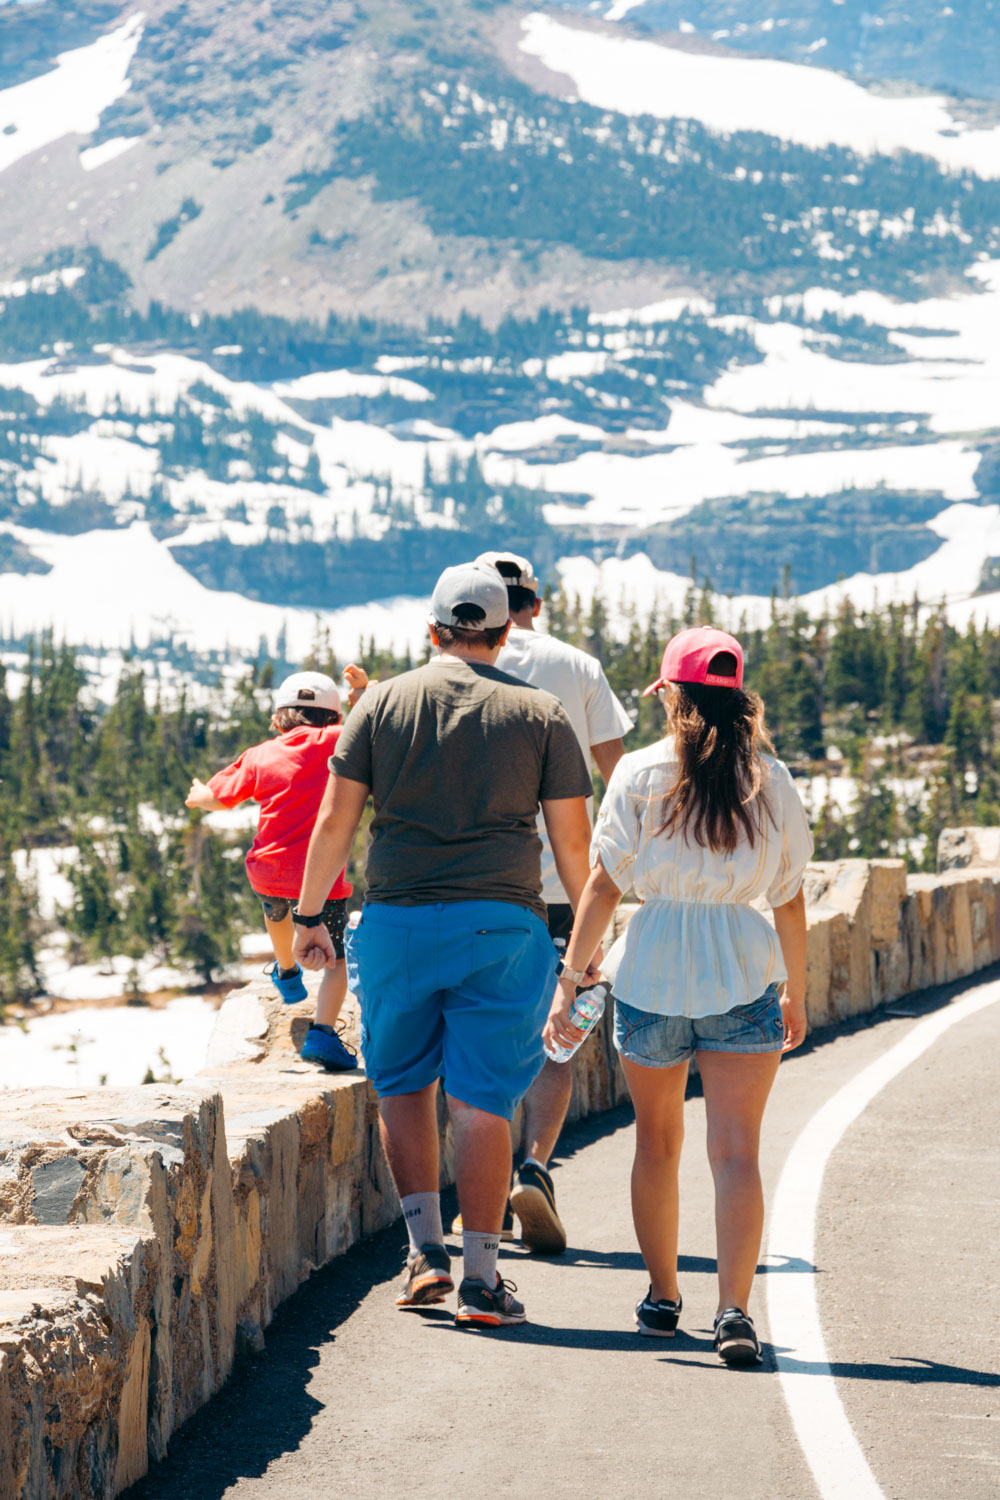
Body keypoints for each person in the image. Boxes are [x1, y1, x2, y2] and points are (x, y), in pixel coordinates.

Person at [291, 561, 596, 1327]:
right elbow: (574, 848)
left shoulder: (380, 704)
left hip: (395, 922)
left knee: (401, 1086)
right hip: (504, 925)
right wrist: (586, 951)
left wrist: (307, 918)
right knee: (484, 1099)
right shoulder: (544, 714)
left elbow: (335, 822)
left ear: (432, 631)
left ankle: (426, 1254)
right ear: (505, 631)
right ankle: (484, 1280)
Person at [545, 626, 812, 1365]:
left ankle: (663, 1299)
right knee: (737, 1153)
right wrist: (796, 990)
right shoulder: (772, 779)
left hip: (651, 972)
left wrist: (572, 979)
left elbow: (603, 885)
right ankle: (734, 1313)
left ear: (669, 696)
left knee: (656, 1144)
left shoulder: (637, 773)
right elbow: (789, 900)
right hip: (744, 973)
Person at [465, 549, 631, 1254]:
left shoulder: (453, 662)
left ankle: (486, 1181)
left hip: (478, 878)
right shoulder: (578, 666)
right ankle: (535, 1163)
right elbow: (621, 778)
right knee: (557, 1028)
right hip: (567, 883)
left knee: (482, 1031)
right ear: (536, 600)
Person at [185, 666, 369, 1072]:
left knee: (277, 911)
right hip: (321, 878)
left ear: (278, 719)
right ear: (333, 718)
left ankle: (286, 970)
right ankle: (322, 1033)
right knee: (335, 960)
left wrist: (198, 796)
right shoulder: (338, 740)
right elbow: (371, 721)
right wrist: (361, 692)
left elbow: (218, 795)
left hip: (267, 868)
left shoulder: (261, 754)